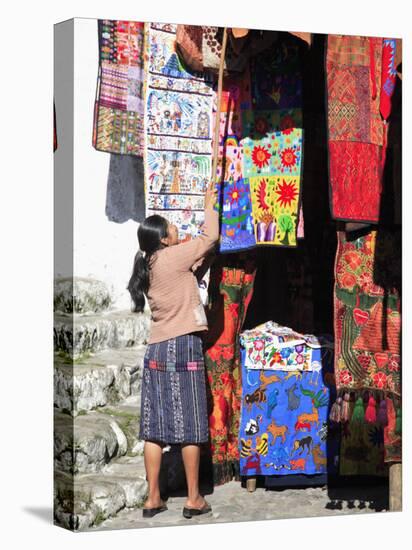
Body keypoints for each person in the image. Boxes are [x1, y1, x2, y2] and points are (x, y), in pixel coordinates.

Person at [127, 183, 219, 519]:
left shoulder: (150, 263)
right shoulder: (172, 255)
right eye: (170, 225)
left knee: (155, 427)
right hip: (183, 346)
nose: (175, 227)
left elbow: (192, 272)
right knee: (190, 424)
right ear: (164, 238)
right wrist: (210, 202)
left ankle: (153, 497)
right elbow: (209, 237)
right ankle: (194, 498)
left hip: (156, 349)